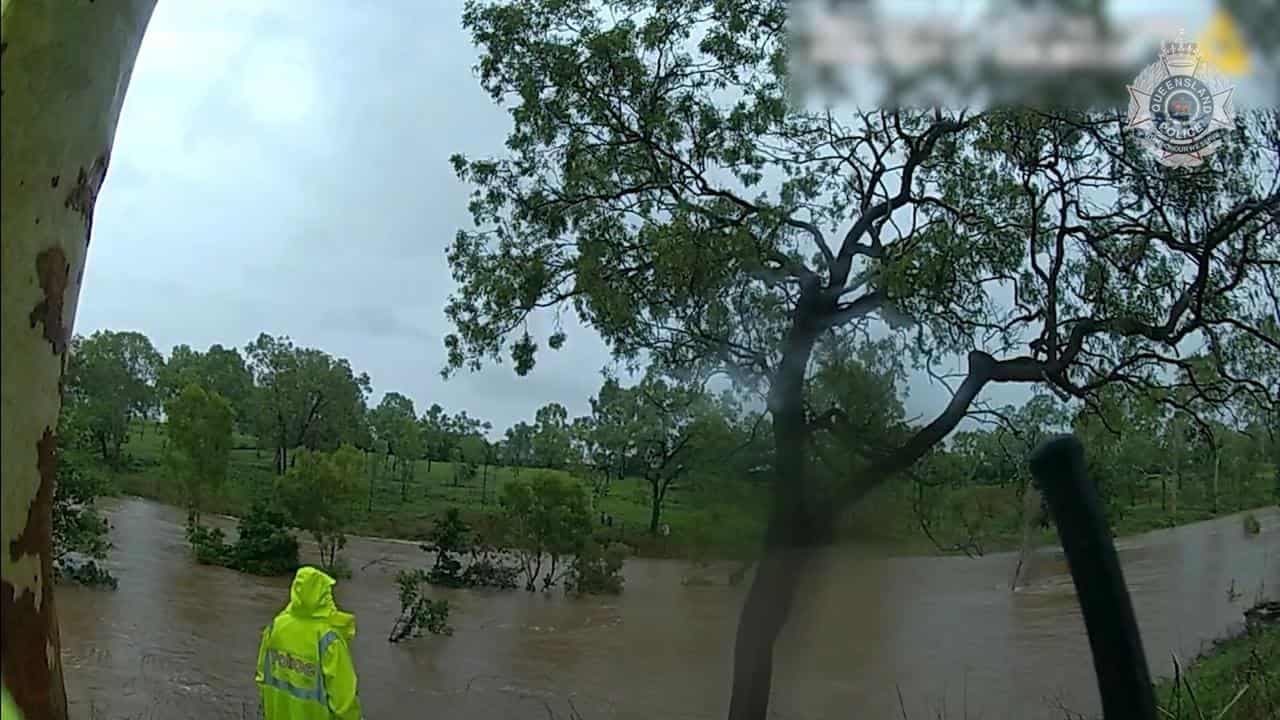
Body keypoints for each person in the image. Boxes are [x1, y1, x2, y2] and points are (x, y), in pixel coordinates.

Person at [256, 566, 363, 720]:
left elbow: (262, 675)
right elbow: (344, 701)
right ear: (323, 595)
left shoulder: (276, 626)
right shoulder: (329, 639)